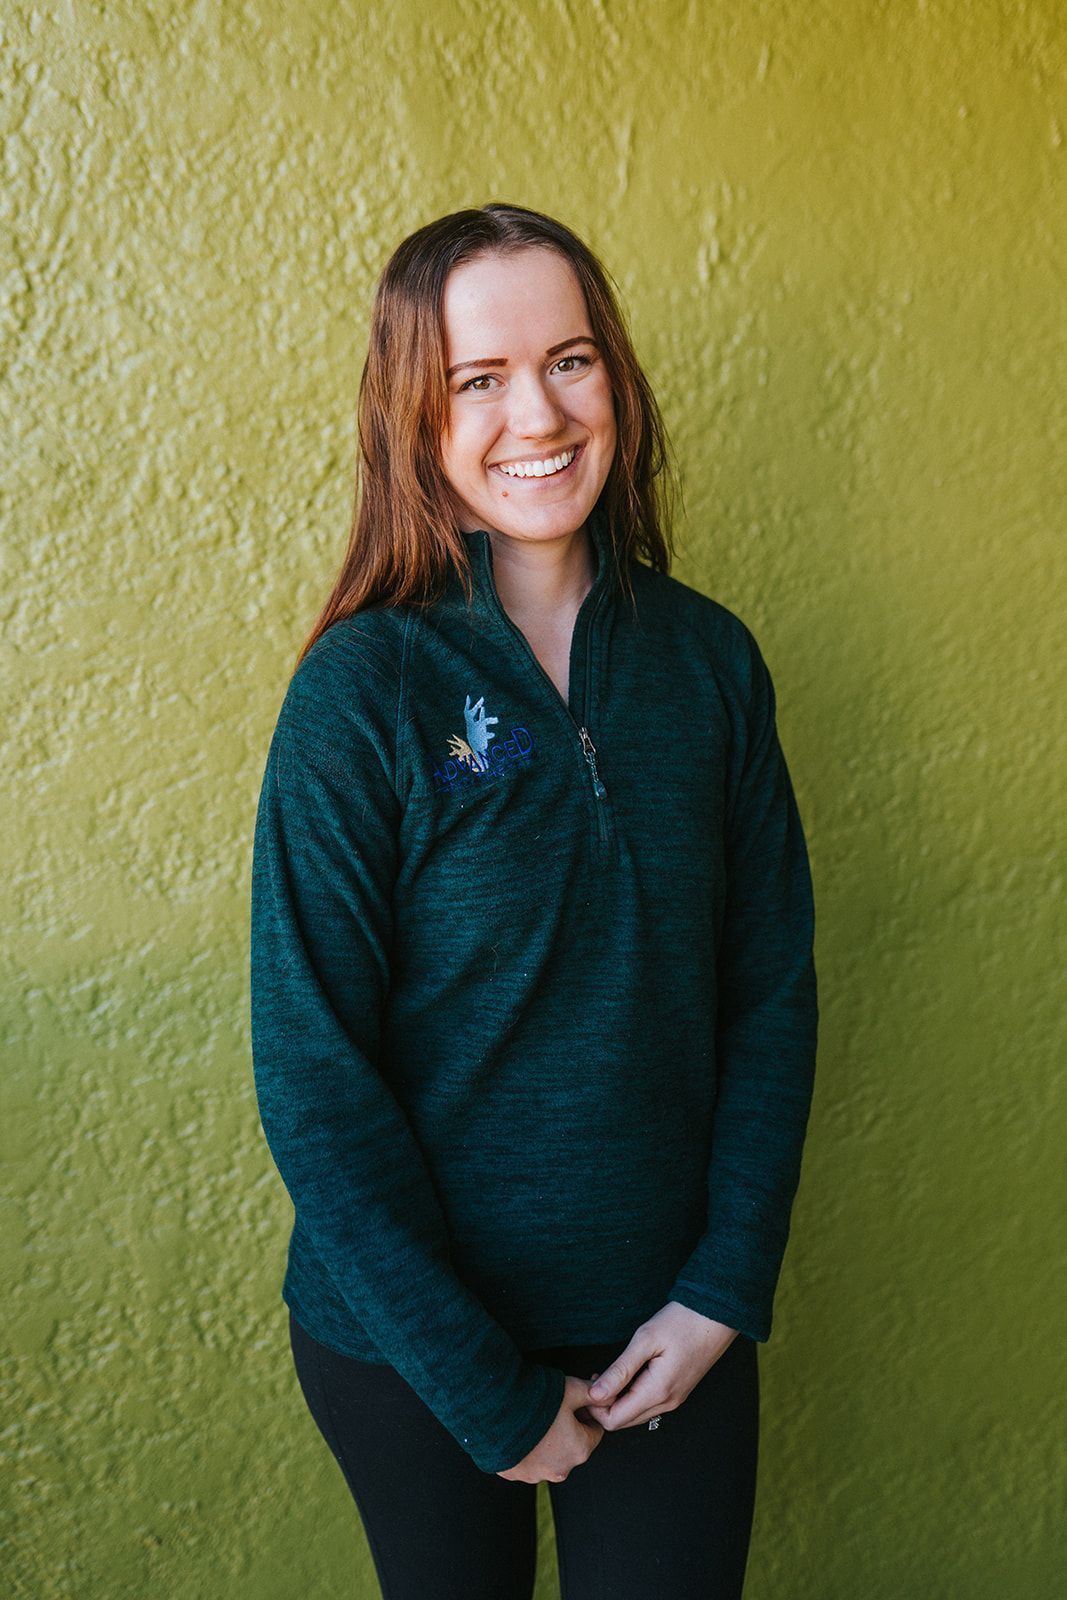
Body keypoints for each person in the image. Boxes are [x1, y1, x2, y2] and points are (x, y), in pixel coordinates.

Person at [249, 202, 819, 1600]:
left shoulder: (711, 666)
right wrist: (482, 1389)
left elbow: (770, 993)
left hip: (664, 1339)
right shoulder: (360, 693)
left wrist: (722, 1291)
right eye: (479, 379)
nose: (536, 415)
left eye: (569, 360)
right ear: (414, 416)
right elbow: (316, 1075)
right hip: (414, 1352)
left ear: (613, 377)